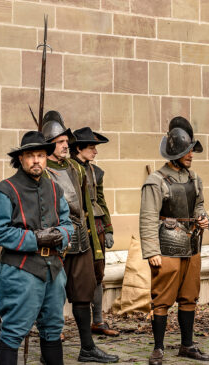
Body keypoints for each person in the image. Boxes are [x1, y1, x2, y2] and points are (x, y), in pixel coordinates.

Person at [0, 131, 73, 365]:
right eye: (30, 156)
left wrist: (60, 235)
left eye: (41, 155)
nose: (36, 160)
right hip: (21, 270)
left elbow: (68, 223)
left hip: (54, 269)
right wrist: (36, 239)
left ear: (46, 158)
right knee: (14, 331)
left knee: (53, 329)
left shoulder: (55, 189)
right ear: (21, 159)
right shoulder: (5, 190)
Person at [42, 115, 118, 363]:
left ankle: (87, 348)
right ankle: (48, 353)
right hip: (54, 240)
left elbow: (85, 205)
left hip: (80, 239)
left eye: (67, 141)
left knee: (84, 294)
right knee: (52, 297)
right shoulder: (42, 171)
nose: (66, 145)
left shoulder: (76, 168)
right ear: (48, 144)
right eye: (61, 141)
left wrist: (96, 237)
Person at [139, 116, 209, 365]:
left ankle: (187, 345)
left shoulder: (195, 179)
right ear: (174, 153)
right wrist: (151, 251)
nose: (191, 155)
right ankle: (158, 348)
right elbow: (148, 218)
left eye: (192, 150)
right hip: (166, 247)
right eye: (186, 151)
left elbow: (199, 206)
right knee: (161, 299)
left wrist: (203, 219)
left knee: (189, 296)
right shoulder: (156, 181)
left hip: (192, 246)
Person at [69, 126, 120, 338]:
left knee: (98, 274)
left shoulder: (95, 171)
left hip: (96, 227)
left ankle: (97, 320)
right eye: (91, 147)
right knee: (69, 276)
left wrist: (108, 228)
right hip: (74, 227)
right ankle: (51, 328)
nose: (95, 152)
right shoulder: (67, 169)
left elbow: (101, 201)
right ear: (79, 148)